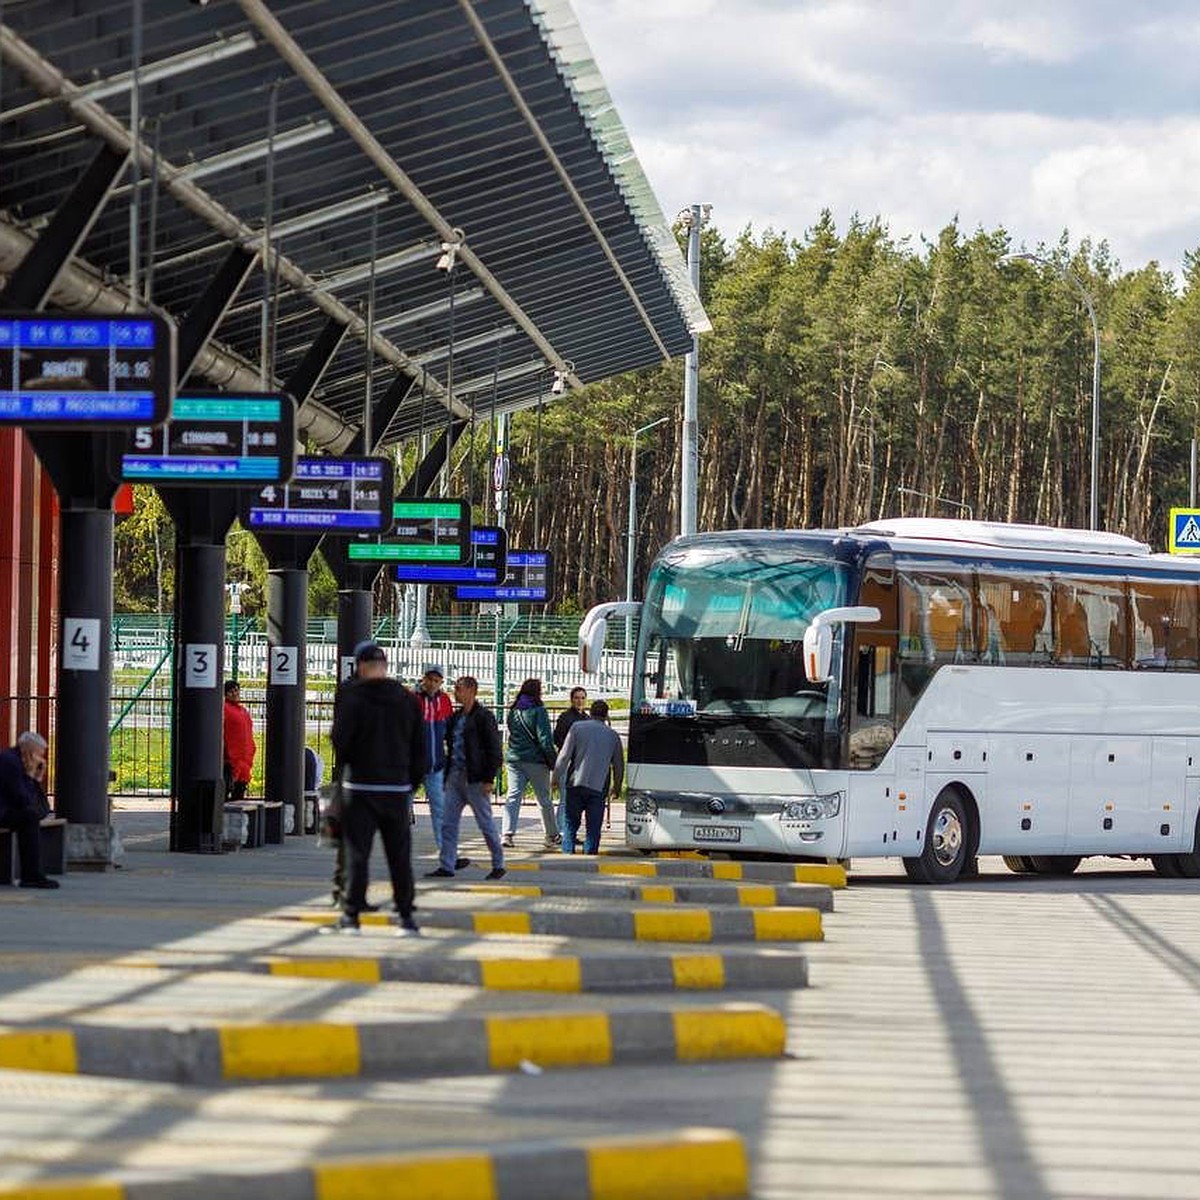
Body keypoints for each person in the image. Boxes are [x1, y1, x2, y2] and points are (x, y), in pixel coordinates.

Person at [328, 641, 427, 935]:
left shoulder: (351, 696)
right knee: (399, 854)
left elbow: (340, 740)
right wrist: (411, 781)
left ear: (359, 666)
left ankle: (351, 917)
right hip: (396, 788)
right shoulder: (407, 699)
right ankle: (406, 917)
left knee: (358, 852)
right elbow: (420, 746)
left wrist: (348, 768)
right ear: (384, 666)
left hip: (359, 785)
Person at [426, 676, 506, 880]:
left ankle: (498, 863)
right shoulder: (455, 717)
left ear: (471, 691)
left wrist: (489, 778)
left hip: (476, 778)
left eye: (459, 689)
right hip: (455, 776)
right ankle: (447, 865)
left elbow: (494, 749)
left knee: (485, 822)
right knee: (448, 823)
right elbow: (448, 744)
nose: (455, 693)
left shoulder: (483, 717)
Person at [552, 700, 624, 855]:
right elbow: (618, 765)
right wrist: (617, 788)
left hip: (575, 783)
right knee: (593, 827)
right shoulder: (613, 736)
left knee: (570, 824)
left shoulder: (577, 728)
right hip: (599, 787)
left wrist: (555, 778)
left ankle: (567, 854)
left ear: (590, 713)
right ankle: (589, 856)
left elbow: (564, 756)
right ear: (606, 716)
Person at [500, 678, 560, 850]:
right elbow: (544, 739)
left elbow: (512, 732)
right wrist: (553, 761)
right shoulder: (538, 711)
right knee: (543, 799)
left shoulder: (513, 710)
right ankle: (551, 835)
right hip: (535, 761)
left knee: (513, 796)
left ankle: (507, 834)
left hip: (514, 759)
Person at [0, 731, 58, 888]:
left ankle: (32, 874)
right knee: (29, 818)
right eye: (40, 754)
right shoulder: (10, 762)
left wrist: (36, 777)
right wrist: (31, 775)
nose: (41, 759)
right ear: (31, 751)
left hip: (6, 810)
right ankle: (31, 875)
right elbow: (23, 799)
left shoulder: (18, 761)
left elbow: (34, 803)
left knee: (30, 817)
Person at [222, 680, 255, 803]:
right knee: (227, 790)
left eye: (236, 690)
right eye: (231, 691)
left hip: (243, 759)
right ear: (226, 694)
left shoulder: (242, 711)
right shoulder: (224, 709)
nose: (235, 693)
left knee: (239, 792)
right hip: (231, 759)